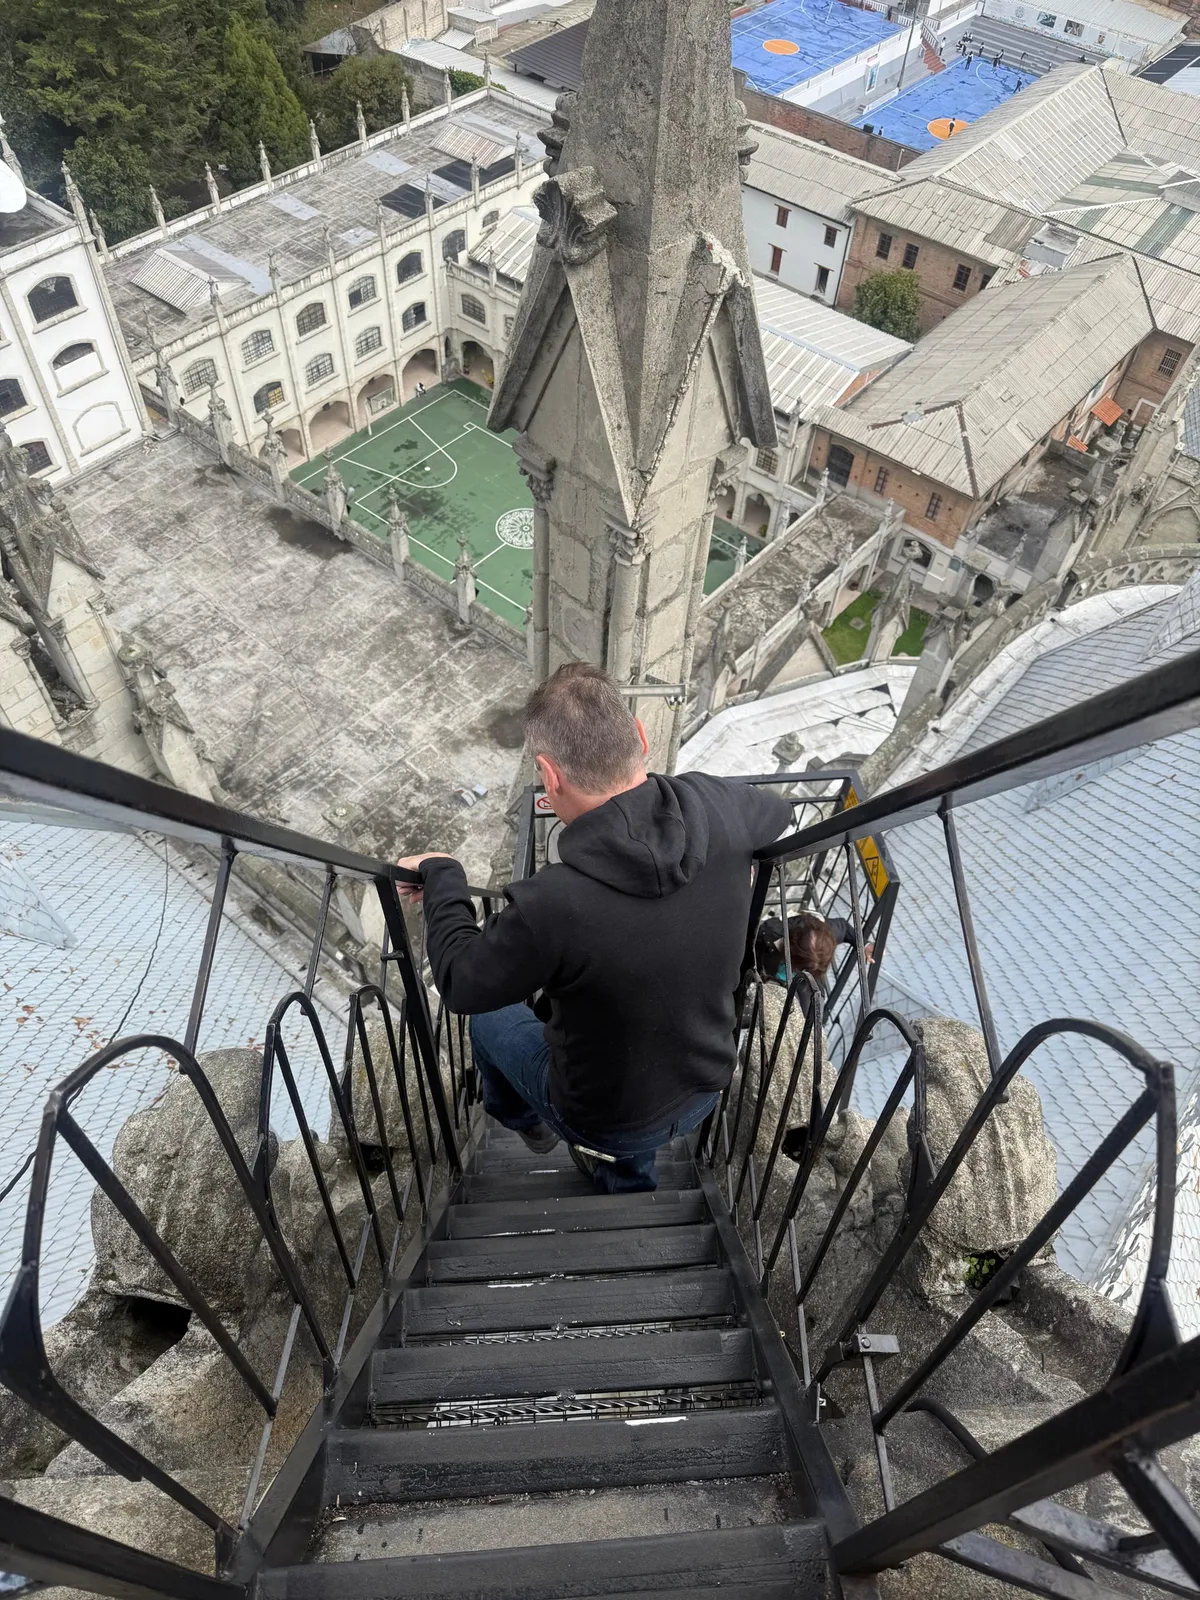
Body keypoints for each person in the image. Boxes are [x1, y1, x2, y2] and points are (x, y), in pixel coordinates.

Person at [397, 663, 793, 1193]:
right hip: (707, 1083)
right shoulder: (717, 804)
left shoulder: (553, 903)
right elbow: (780, 813)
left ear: (549, 774)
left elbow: (463, 984)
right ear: (643, 740)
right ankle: (624, 1178)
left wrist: (444, 877)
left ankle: (528, 1123)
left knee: (489, 1022)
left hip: (606, 1115)